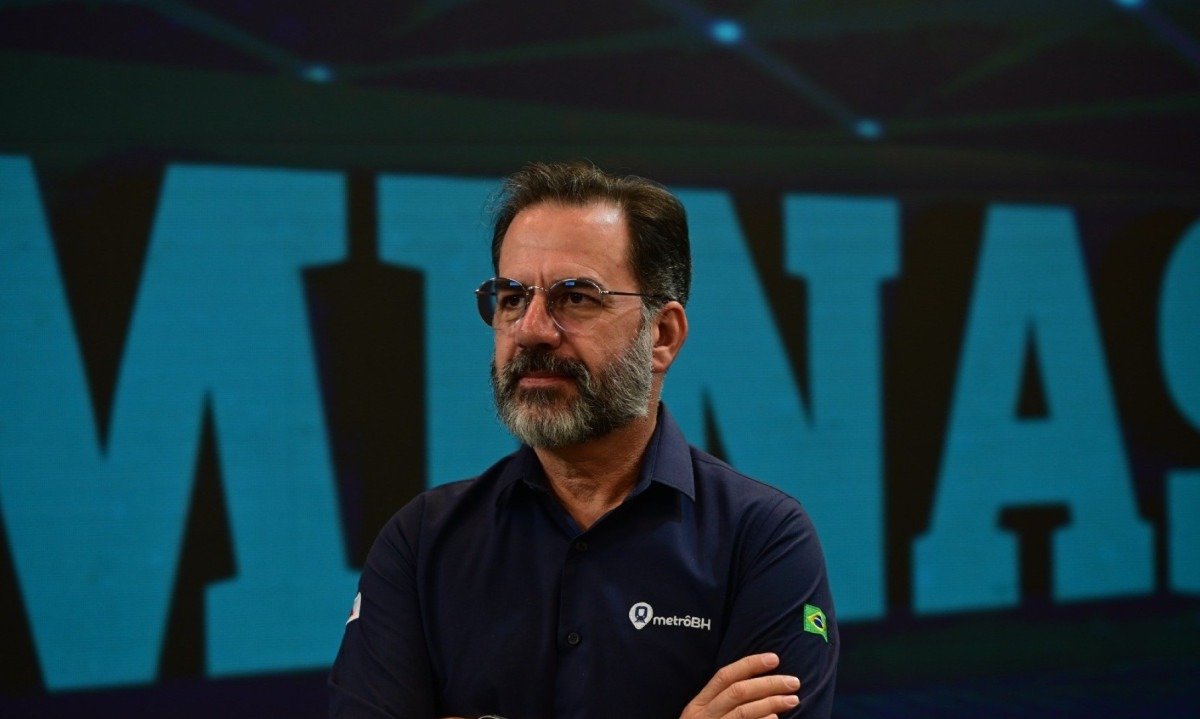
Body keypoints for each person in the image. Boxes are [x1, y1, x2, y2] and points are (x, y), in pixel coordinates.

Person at [329, 161, 838, 718]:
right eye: (511, 297)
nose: (531, 330)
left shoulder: (763, 540)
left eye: (575, 298)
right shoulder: (423, 542)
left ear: (662, 335)